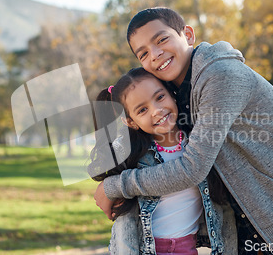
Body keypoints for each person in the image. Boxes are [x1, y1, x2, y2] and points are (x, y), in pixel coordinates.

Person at [94, 7, 273, 255]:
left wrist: (114, 187)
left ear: (187, 35)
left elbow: (193, 168)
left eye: (161, 39)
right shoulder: (171, 90)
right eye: (143, 53)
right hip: (252, 217)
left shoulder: (220, 76)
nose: (155, 54)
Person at [88, 67, 234, 255]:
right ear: (130, 122)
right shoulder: (130, 156)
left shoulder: (199, 145)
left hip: (187, 249)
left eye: (159, 97)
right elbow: (122, 220)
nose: (157, 111)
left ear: (171, 94)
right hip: (144, 249)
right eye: (142, 110)